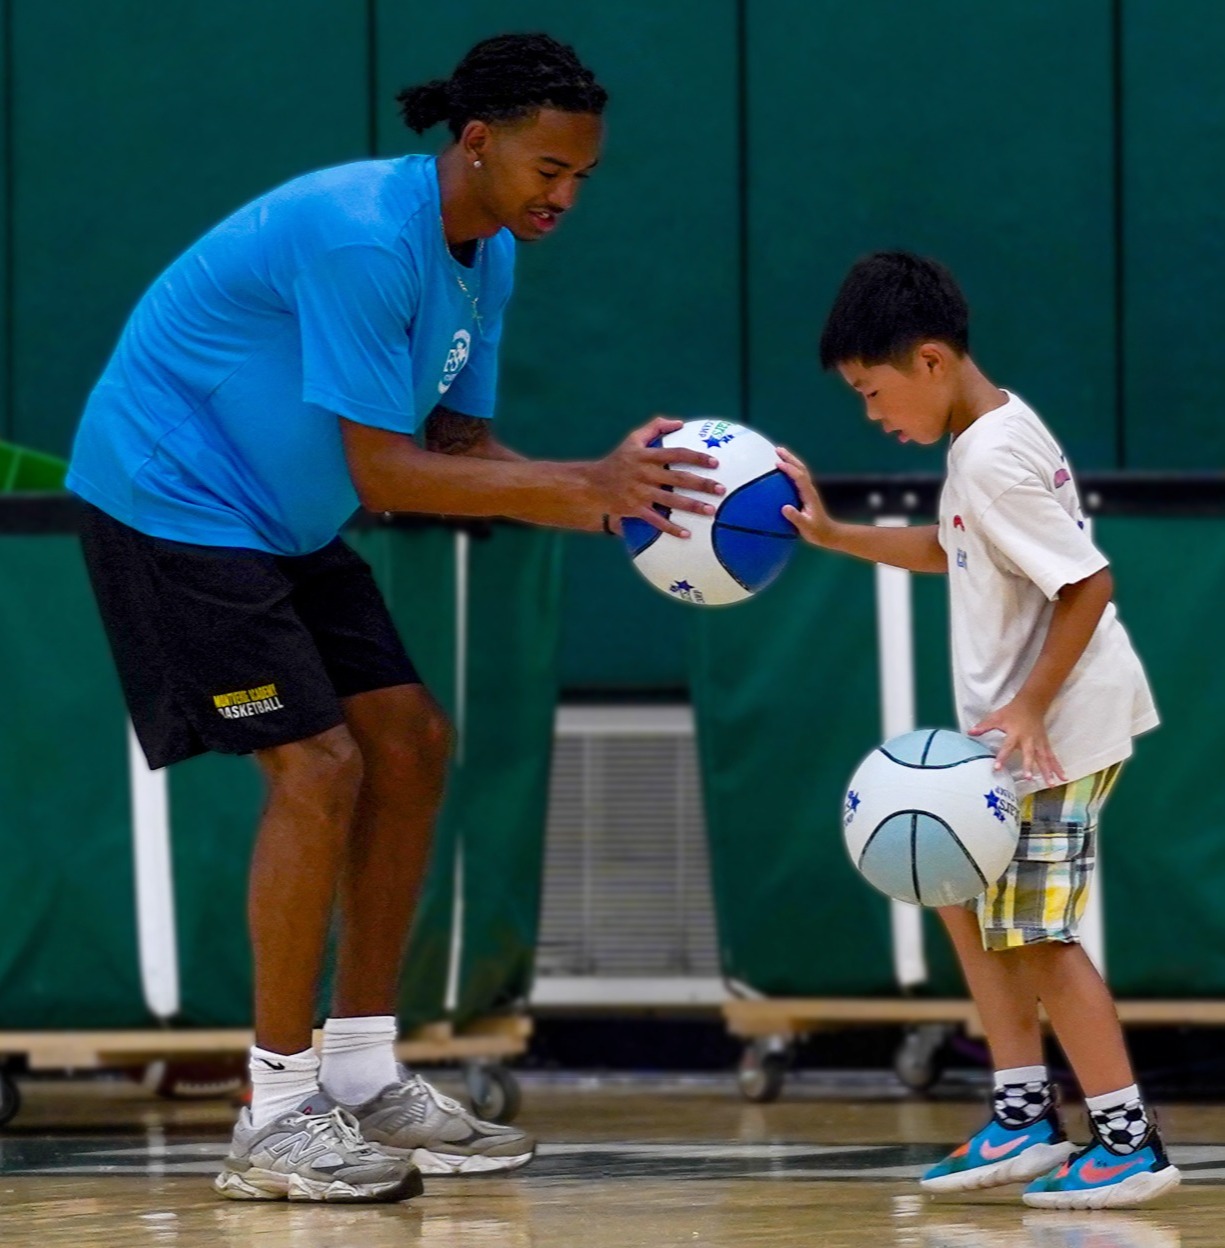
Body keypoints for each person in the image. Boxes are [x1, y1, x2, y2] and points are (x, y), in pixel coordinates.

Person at [66, 32, 723, 1204]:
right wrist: (587, 487)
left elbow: (459, 450)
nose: (563, 196)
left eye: (581, 178)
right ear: (475, 142)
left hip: (283, 521)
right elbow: (384, 471)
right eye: (546, 170)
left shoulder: (490, 257)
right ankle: (273, 1112)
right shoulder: (366, 235)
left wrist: (625, 513)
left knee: (411, 745)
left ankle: (364, 1073)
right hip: (170, 498)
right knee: (316, 769)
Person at [778, 251, 1180, 1211]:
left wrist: (1032, 704)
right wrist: (834, 535)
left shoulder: (992, 457)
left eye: (873, 394)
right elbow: (942, 548)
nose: (874, 416)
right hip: (1018, 736)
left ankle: (1128, 1138)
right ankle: (1020, 1113)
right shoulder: (985, 436)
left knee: (1039, 937)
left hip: (1057, 732)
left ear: (928, 360)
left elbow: (1086, 582)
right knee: (962, 896)